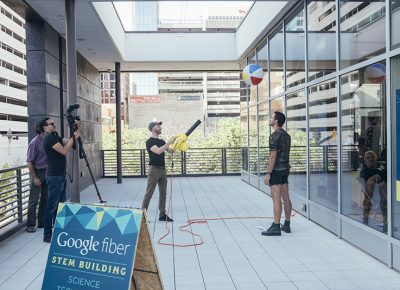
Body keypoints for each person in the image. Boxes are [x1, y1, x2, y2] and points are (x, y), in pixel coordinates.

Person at [42, 117, 79, 243]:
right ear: (45, 127)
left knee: (60, 206)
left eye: (53, 123)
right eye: (51, 124)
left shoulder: (55, 137)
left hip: (60, 176)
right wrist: (73, 137)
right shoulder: (48, 138)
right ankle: (47, 235)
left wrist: (76, 130)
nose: (54, 125)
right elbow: (64, 151)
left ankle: (58, 232)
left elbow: (70, 142)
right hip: (54, 177)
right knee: (51, 207)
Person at [262, 111, 292, 236]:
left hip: (276, 171)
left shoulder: (274, 136)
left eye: (271, 117)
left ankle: (276, 226)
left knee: (276, 199)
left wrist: (268, 173)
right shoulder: (287, 135)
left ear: (276, 121)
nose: (270, 119)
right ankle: (287, 224)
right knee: (286, 198)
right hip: (285, 169)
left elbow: (273, 155)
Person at [142, 121, 177, 222]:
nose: (160, 127)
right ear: (153, 128)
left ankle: (162, 215)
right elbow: (158, 151)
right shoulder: (149, 142)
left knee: (163, 193)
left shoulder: (162, 141)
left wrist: (179, 143)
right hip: (154, 170)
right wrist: (169, 142)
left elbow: (171, 151)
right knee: (149, 193)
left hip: (162, 170)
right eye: (158, 126)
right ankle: (142, 217)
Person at [25, 119, 48, 233]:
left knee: (45, 198)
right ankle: (30, 225)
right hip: (38, 173)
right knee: (33, 200)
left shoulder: (48, 140)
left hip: (48, 173)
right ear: (43, 128)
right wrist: (35, 177)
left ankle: (41, 223)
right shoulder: (34, 142)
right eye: (48, 125)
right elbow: (29, 161)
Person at [359, 150, 387, 230]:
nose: (371, 159)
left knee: (383, 193)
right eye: (368, 158)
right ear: (365, 161)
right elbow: (365, 184)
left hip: (382, 194)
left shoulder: (381, 171)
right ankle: (366, 218)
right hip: (372, 194)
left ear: (376, 159)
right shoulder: (364, 171)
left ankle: (386, 220)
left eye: (372, 157)